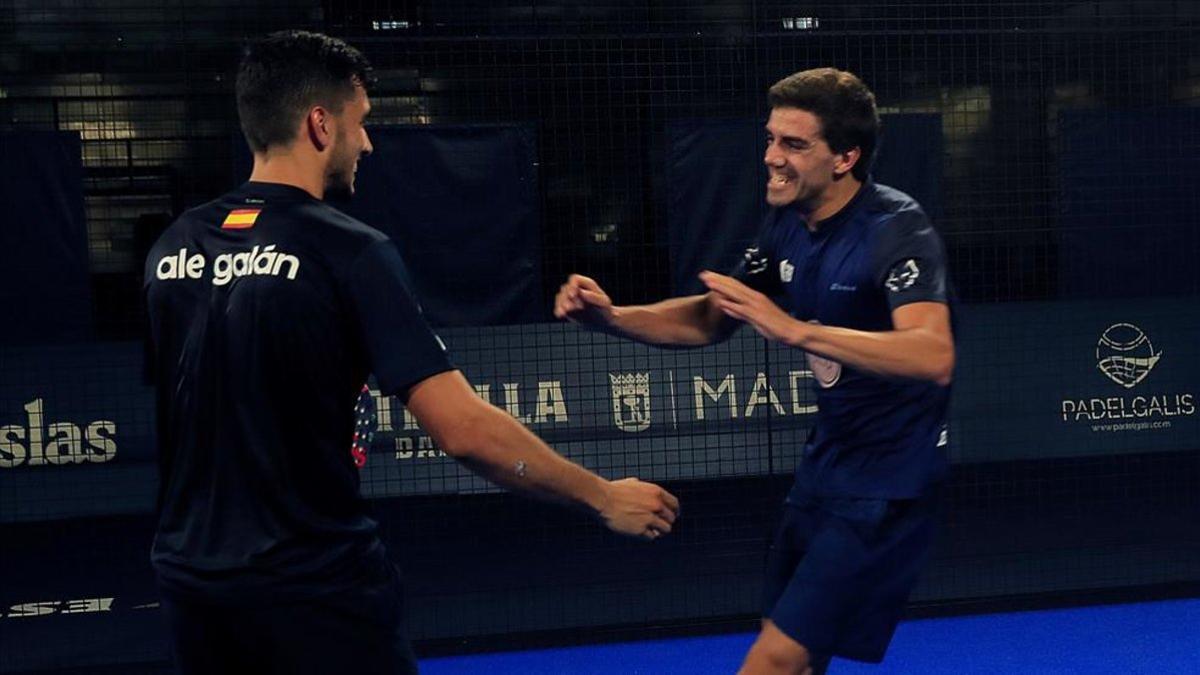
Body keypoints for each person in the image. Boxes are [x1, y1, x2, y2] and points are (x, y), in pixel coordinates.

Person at [143, 30, 679, 675]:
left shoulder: (176, 245)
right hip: (313, 588)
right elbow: (462, 431)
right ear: (320, 124)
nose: (367, 143)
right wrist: (601, 495)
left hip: (190, 586)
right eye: (360, 123)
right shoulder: (349, 249)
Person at [555, 67, 954, 674]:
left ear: (845, 157)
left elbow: (932, 354)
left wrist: (796, 329)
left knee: (774, 662)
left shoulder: (897, 229)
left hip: (889, 481)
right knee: (789, 644)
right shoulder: (788, 223)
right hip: (825, 468)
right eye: (771, 139)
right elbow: (711, 317)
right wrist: (612, 318)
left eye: (794, 145)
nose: (772, 157)